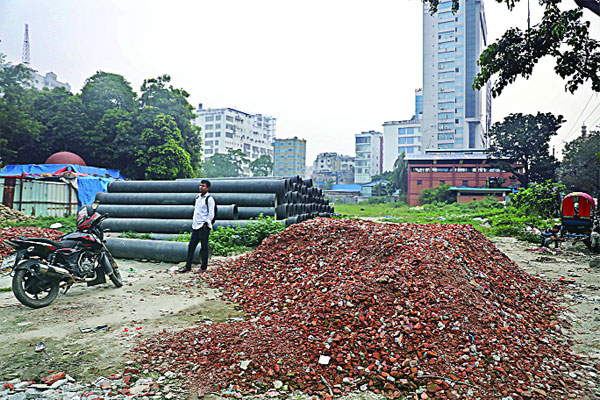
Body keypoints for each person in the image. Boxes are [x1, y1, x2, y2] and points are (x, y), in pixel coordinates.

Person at [178, 180, 215, 273]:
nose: (201, 187)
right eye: (200, 185)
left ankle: (203, 267)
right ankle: (188, 266)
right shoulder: (198, 197)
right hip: (196, 226)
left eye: (203, 186)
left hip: (203, 227)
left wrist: (206, 223)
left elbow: (211, 214)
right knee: (191, 246)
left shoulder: (209, 199)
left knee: (204, 247)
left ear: (208, 188)